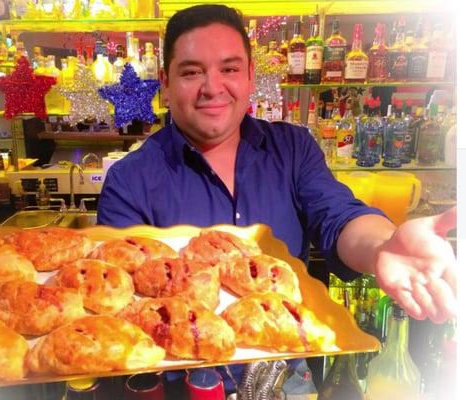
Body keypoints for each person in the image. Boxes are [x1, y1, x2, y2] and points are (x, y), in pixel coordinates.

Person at [97, 3, 456, 395]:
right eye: (192, 71)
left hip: (287, 375)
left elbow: (339, 215)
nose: (213, 87)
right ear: (165, 83)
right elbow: (118, 300)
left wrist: (384, 246)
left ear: (250, 76)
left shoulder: (293, 149)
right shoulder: (130, 180)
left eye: (229, 69)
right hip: (181, 380)